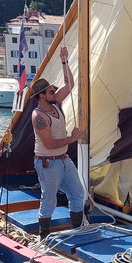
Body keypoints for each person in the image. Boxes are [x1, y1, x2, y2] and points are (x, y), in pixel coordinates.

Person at [31, 46, 84, 238]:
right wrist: (73, 138)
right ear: (41, 96)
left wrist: (64, 61)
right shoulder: (39, 116)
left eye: (53, 90)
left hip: (63, 159)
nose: (54, 92)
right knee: (49, 200)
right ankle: (43, 237)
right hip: (48, 162)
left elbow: (70, 84)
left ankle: (77, 233)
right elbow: (50, 144)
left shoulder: (54, 104)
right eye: (51, 91)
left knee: (78, 194)